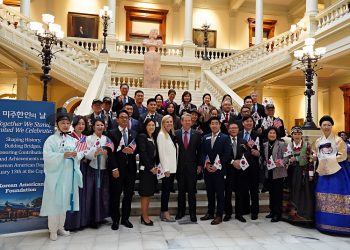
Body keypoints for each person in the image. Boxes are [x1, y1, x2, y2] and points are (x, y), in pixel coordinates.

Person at [40, 108, 82, 241]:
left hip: (69, 176)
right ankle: (52, 229)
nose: (65, 125)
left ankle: (61, 227)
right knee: (54, 202)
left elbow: (80, 153)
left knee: (65, 202)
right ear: (57, 124)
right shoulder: (51, 140)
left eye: (67, 123)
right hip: (56, 176)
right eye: (63, 123)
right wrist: (62, 155)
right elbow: (47, 157)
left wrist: (76, 155)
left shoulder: (72, 140)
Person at [314, 115, 350, 235]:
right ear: (321, 126)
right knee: (322, 193)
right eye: (324, 124)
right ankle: (323, 223)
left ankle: (340, 224)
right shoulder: (318, 141)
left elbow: (343, 155)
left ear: (332, 126)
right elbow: (316, 153)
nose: (326, 127)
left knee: (338, 193)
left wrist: (329, 159)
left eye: (329, 124)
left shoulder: (338, 140)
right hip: (324, 171)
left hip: (337, 171)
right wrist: (314, 156)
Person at [107, 110, 137, 230]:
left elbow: (137, 148)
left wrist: (133, 150)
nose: (125, 119)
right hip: (117, 169)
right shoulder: (111, 133)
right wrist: (114, 168)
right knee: (115, 195)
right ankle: (115, 220)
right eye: (122, 117)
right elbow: (110, 153)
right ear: (117, 119)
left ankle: (125, 218)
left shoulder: (134, 133)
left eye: (127, 117)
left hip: (130, 169)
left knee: (128, 195)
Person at [200, 117, 231, 225]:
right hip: (208, 170)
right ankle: (210, 212)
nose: (214, 125)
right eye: (212, 123)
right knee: (210, 192)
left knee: (219, 193)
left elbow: (227, 154)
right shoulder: (205, 137)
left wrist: (217, 166)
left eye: (216, 123)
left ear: (219, 125)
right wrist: (207, 164)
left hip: (219, 170)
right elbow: (202, 153)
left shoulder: (225, 138)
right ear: (209, 125)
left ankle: (219, 215)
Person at [85, 118, 114, 228]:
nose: (100, 127)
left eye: (102, 125)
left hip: (104, 169)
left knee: (103, 194)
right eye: (98, 125)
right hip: (93, 169)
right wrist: (95, 153)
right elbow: (85, 153)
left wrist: (107, 153)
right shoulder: (88, 139)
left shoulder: (107, 139)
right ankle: (93, 219)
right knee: (93, 194)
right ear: (93, 127)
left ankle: (101, 217)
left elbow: (111, 152)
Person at [283, 126, 315, 224]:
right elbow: (285, 158)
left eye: (299, 134)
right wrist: (289, 160)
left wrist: (310, 174)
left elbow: (310, 160)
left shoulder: (307, 145)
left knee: (303, 191)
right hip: (291, 172)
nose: (297, 136)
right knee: (292, 190)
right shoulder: (288, 145)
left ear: (301, 135)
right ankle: (291, 214)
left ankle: (303, 213)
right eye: (295, 134)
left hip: (303, 172)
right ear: (292, 135)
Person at [234, 116, 263, 222]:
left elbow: (262, 152)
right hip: (241, 167)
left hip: (254, 167)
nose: (249, 123)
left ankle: (255, 211)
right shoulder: (239, 134)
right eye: (247, 121)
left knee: (254, 191)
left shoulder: (257, 135)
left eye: (251, 121)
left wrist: (258, 153)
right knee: (242, 190)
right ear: (243, 123)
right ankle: (244, 209)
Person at [175, 113, 202, 222]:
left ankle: (192, 213)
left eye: (189, 121)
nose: (187, 122)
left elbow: (200, 151)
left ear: (191, 122)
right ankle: (180, 212)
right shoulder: (175, 133)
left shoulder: (197, 134)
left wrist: (200, 165)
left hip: (192, 167)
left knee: (191, 192)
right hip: (179, 167)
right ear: (181, 122)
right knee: (181, 192)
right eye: (185, 120)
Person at [65, 116, 89, 231]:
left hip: (84, 168)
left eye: (83, 124)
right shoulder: (69, 137)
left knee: (82, 194)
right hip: (71, 169)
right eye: (79, 124)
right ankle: (71, 223)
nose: (81, 126)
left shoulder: (85, 138)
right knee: (72, 194)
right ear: (74, 125)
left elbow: (87, 152)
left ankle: (81, 221)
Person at [263, 126, 288, 222]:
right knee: (271, 193)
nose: (272, 135)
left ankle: (278, 214)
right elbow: (263, 157)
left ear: (276, 135)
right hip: (268, 173)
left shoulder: (282, 144)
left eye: (274, 133)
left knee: (278, 194)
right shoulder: (265, 144)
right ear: (267, 134)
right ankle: (272, 211)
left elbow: (286, 157)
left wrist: (280, 162)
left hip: (278, 173)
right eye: (270, 133)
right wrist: (264, 162)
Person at [137, 119, 159, 226]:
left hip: (152, 170)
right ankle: (144, 216)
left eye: (153, 125)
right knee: (145, 194)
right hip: (145, 170)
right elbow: (143, 153)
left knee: (149, 193)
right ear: (145, 126)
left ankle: (145, 214)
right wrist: (150, 167)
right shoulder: (142, 136)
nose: (151, 127)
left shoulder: (153, 138)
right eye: (149, 125)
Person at [157, 115, 178, 222]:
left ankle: (162, 212)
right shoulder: (161, 135)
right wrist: (166, 169)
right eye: (167, 122)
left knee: (167, 191)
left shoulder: (169, 134)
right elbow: (162, 153)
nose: (169, 123)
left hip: (172, 167)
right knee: (166, 191)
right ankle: (165, 212)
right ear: (163, 123)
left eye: (171, 121)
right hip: (167, 169)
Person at [224, 122, 240, 222]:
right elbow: (223, 154)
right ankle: (228, 213)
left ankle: (239, 214)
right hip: (228, 170)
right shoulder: (224, 140)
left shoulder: (243, 141)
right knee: (228, 194)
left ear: (238, 129)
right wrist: (232, 161)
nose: (233, 130)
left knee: (239, 193)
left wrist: (240, 162)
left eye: (235, 128)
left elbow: (245, 154)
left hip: (240, 171)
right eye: (231, 128)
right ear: (228, 130)